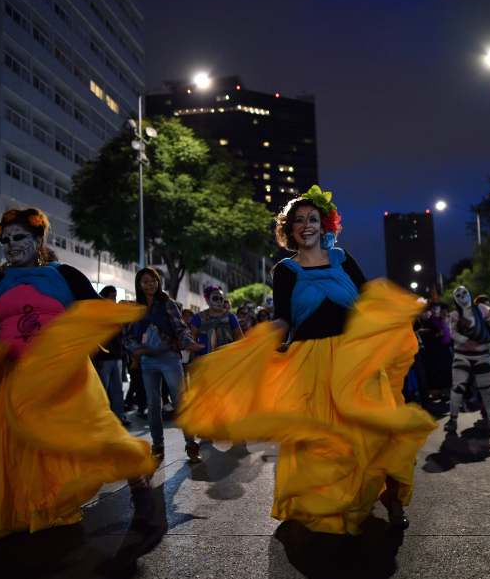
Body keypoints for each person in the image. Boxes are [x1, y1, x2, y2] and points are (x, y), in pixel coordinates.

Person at [177, 185, 436, 533]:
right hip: (310, 362)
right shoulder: (285, 270)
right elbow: (283, 318)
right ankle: (332, 504)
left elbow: (368, 303)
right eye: (298, 220)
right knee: (322, 440)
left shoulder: (344, 260)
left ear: (325, 224)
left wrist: (397, 312)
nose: (306, 225)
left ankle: (390, 498)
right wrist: (258, 343)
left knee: (374, 430)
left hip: (353, 361)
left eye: (313, 218)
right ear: (289, 229)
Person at [0, 208, 155, 538]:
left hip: (66, 375)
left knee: (91, 432)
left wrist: (81, 341)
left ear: (37, 239)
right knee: (27, 446)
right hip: (16, 377)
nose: (10, 245)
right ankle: (43, 507)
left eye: (18, 237)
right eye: (5, 240)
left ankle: (138, 482)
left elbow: (95, 312)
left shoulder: (65, 275)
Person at [125, 268, 200, 462]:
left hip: (169, 358)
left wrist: (188, 343)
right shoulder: (135, 308)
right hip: (147, 361)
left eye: (153, 281)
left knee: (179, 402)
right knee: (153, 404)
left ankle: (191, 444)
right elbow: (128, 336)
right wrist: (136, 349)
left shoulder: (168, 304)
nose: (150, 285)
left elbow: (180, 328)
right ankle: (157, 446)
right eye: (145, 282)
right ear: (139, 285)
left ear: (158, 283)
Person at [445, 286, 490, 433]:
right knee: (458, 387)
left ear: (469, 293)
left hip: (481, 354)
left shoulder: (482, 309)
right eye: (458, 294)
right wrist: (465, 340)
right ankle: (452, 419)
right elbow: (453, 333)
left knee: (486, 388)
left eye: (464, 292)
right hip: (462, 355)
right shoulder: (454, 315)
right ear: (455, 298)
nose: (462, 296)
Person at [95, 285, 130, 427]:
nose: (114, 299)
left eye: (115, 296)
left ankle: (118, 416)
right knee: (103, 390)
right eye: (112, 296)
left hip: (116, 357)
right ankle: (102, 418)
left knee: (117, 390)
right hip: (103, 358)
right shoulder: (98, 314)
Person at [190, 286, 244, 356]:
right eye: (215, 298)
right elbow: (192, 340)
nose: (219, 301)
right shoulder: (198, 318)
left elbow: (239, 337)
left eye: (221, 299)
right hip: (204, 360)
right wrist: (200, 348)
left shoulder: (230, 317)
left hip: (227, 358)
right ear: (207, 300)